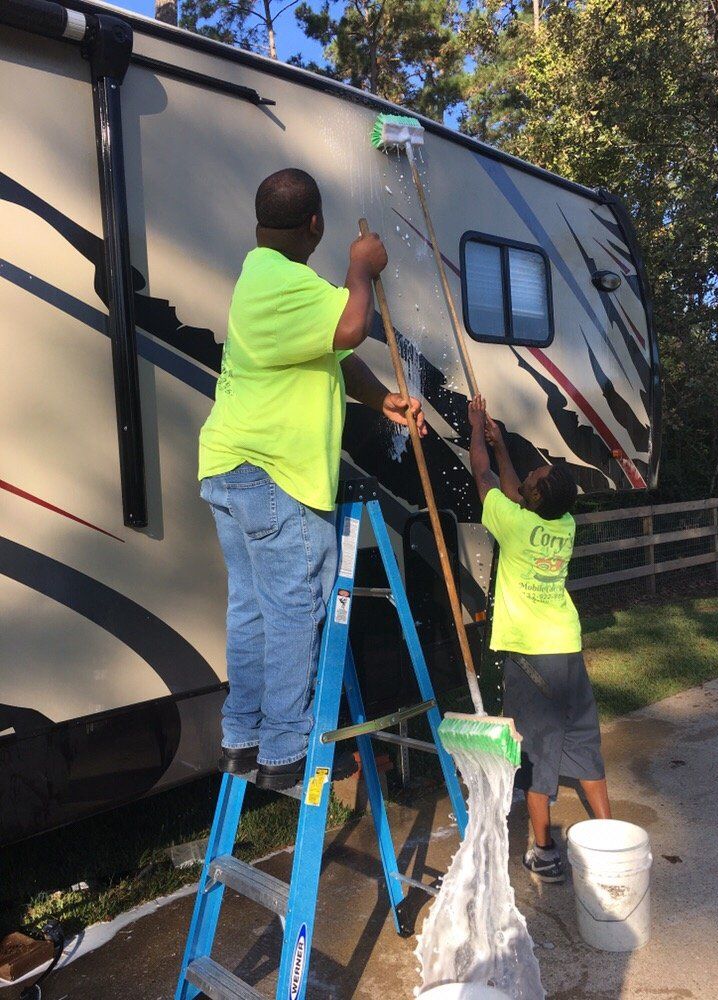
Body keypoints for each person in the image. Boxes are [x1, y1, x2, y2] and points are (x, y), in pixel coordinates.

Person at [198, 168, 426, 791]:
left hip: (233, 469)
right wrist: (362, 268)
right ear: (316, 224)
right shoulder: (287, 283)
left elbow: (334, 350)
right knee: (296, 608)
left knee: (251, 610)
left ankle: (243, 738)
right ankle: (283, 751)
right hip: (278, 474)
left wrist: (380, 400)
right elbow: (351, 327)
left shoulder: (263, 279)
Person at [467, 395, 611, 882]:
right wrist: (502, 442)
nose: (528, 475)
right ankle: (608, 834)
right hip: (567, 650)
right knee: (584, 743)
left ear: (531, 499)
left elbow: (483, 475)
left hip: (531, 658)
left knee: (537, 755)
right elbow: (514, 487)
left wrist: (475, 433)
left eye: (532, 478)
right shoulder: (563, 523)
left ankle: (545, 852)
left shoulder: (512, 522)